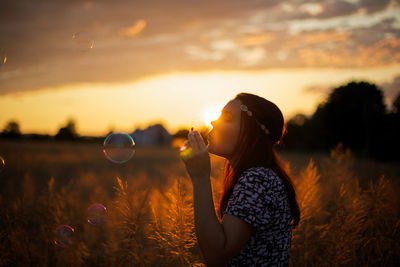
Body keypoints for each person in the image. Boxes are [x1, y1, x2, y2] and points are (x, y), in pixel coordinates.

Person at [181, 92, 300, 266]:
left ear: (253, 132)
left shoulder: (258, 179)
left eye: (227, 118)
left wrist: (200, 178)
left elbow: (217, 255)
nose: (214, 122)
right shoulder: (259, 176)